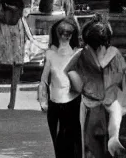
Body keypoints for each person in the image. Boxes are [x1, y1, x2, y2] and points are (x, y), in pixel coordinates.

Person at [66, 19, 126, 158]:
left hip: (89, 104)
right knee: (114, 124)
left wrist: (78, 87)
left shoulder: (82, 55)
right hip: (111, 102)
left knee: (88, 146)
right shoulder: (114, 54)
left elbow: (68, 70)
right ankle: (113, 139)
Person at [38, 17, 82, 158]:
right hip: (55, 104)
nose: (65, 34)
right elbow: (44, 80)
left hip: (74, 103)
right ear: (56, 34)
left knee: (73, 141)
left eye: (68, 32)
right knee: (58, 142)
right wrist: (43, 100)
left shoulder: (79, 54)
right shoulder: (50, 55)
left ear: (73, 34)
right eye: (61, 32)